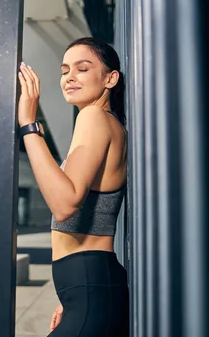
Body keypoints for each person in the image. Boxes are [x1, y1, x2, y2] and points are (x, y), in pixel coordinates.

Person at [17, 37, 129, 336]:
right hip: (86, 288)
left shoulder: (94, 117)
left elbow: (65, 204)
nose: (69, 77)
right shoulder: (104, 121)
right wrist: (76, 299)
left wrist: (29, 124)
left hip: (90, 284)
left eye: (82, 68)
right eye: (65, 70)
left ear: (110, 78)